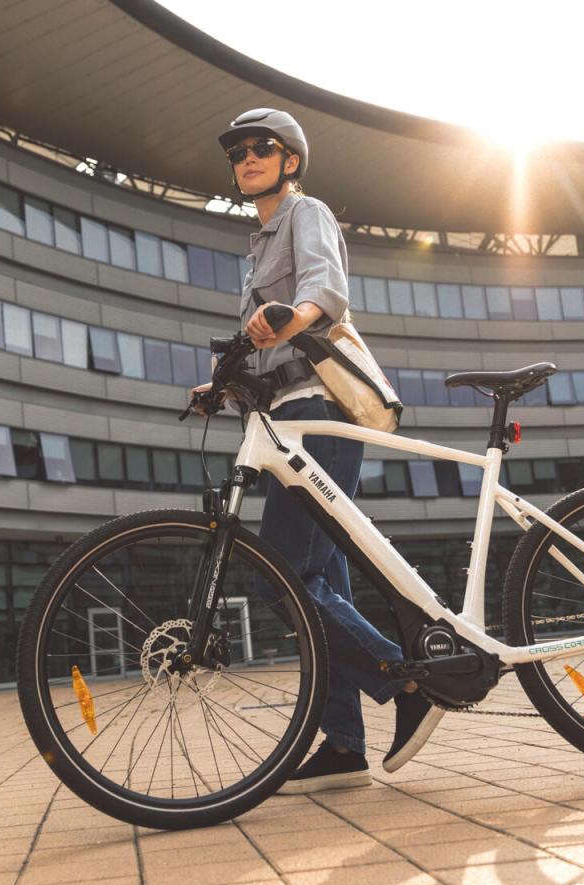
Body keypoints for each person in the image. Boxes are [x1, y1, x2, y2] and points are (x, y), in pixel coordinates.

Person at [190, 109, 443, 793]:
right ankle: (343, 744)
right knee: (320, 586)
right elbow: (258, 343)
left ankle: (407, 681)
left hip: (318, 415)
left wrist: (289, 317)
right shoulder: (258, 245)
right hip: (283, 419)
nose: (246, 158)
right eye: (237, 151)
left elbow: (324, 292)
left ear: (290, 160)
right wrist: (220, 385)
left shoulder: (306, 214)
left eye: (260, 149)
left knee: (282, 575)